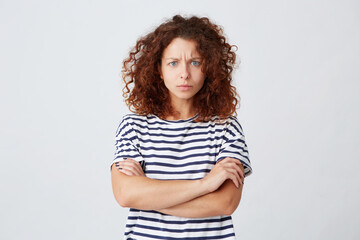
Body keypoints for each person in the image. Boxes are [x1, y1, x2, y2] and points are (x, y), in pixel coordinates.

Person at [110, 14, 253, 239]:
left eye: (195, 62)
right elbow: (125, 194)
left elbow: (225, 203)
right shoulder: (133, 127)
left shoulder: (227, 128)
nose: (184, 73)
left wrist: (148, 194)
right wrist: (206, 184)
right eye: (173, 63)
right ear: (159, 69)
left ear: (209, 67)